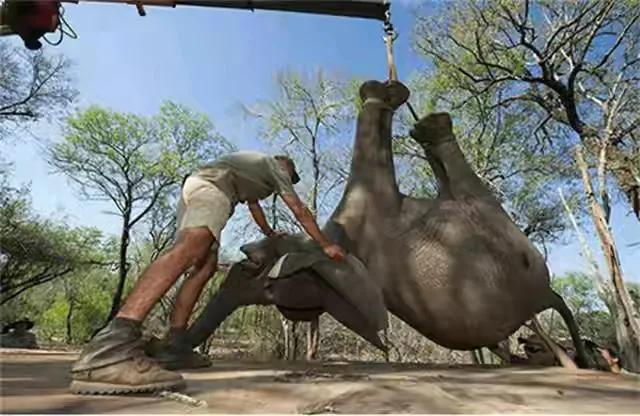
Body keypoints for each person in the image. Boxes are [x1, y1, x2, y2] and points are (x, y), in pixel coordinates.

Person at [69, 151, 346, 395]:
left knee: (204, 266)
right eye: (291, 174)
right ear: (283, 164)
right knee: (190, 247)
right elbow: (298, 209)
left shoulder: (253, 175)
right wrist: (326, 245)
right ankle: (111, 347)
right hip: (211, 190)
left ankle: (174, 345)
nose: (290, 178)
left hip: (197, 188)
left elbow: (254, 206)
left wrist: (269, 233)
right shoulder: (273, 166)